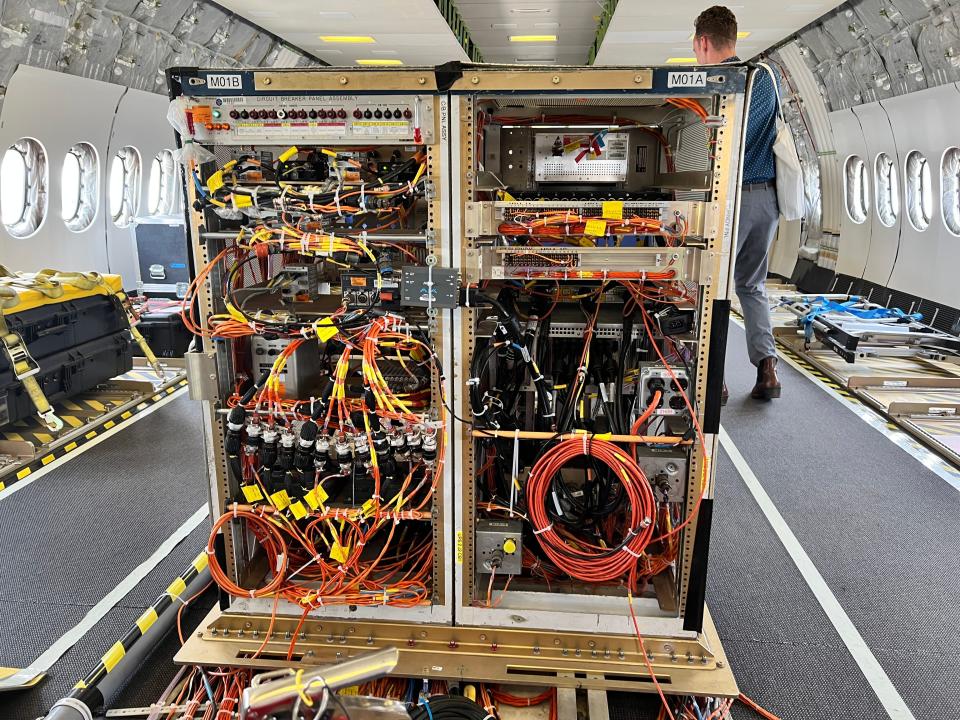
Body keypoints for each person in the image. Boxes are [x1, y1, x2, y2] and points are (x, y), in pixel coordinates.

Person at [693, 6, 782, 400]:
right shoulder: (765, 78)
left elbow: (720, 144)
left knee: (711, 289)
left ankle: (715, 379)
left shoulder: (713, 83)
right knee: (752, 285)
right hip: (767, 199)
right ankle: (767, 371)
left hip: (729, 201)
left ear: (703, 42)